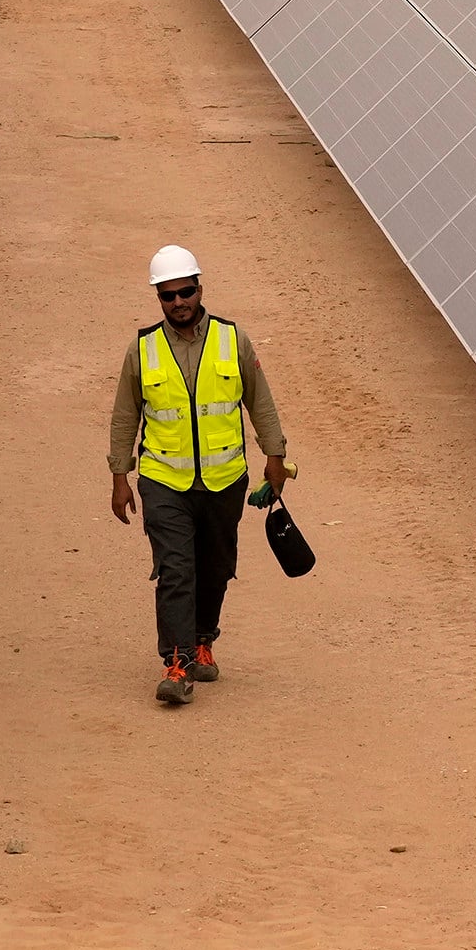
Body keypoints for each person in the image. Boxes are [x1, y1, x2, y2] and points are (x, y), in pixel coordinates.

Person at [107, 244, 292, 706]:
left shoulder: (233, 340)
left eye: (185, 292)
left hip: (225, 480)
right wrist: (119, 476)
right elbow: (124, 415)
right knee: (175, 569)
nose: (178, 303)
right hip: (163, 480)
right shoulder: (143, 349)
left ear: (199, 289)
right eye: (167, 296)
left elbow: (260, 402)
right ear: (158, 298)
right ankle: (177, 662)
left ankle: (204, 639)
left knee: (214, 567)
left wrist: (275, 456)